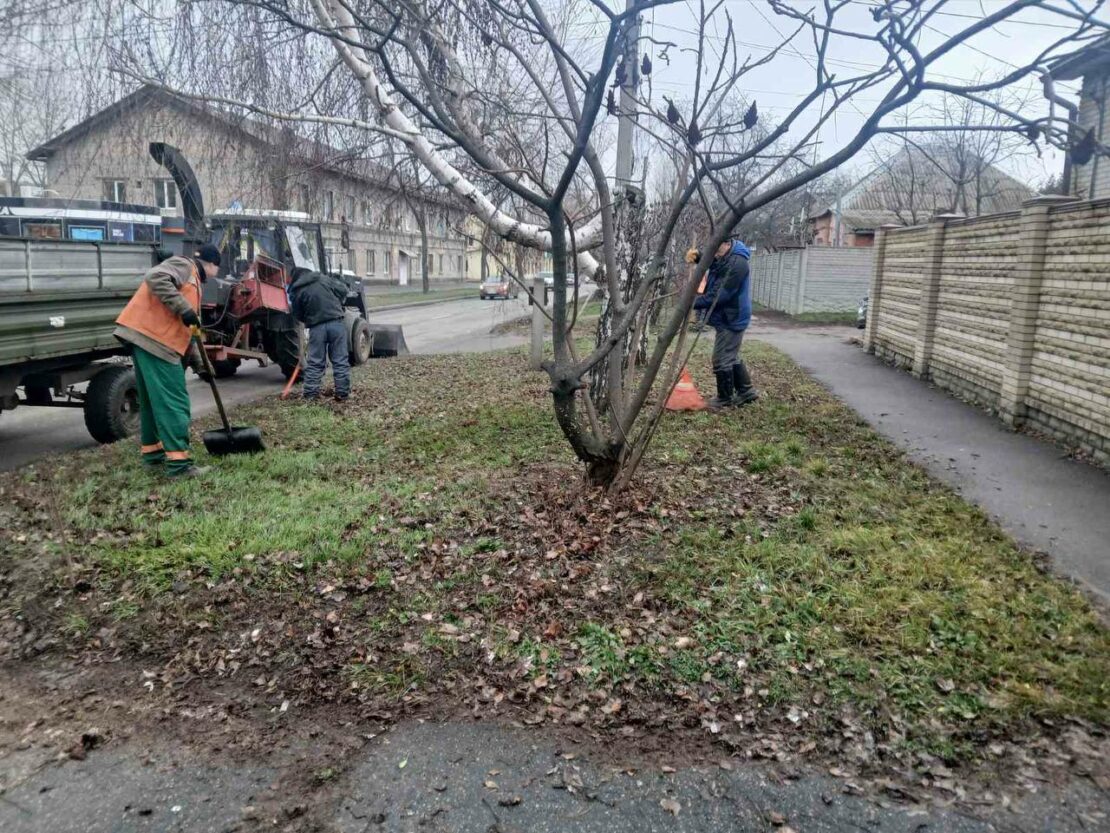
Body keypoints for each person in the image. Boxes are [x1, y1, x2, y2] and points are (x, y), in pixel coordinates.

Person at [114, 244, 222, 477]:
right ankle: (180, 465)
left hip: (148, 338)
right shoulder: (186, 266)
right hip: (156, 341)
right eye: (218, 268)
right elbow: (155, 276)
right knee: (175, 402)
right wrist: (184, 309)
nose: (217, 274)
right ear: (212, 264)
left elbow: (188, 331)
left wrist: (202, 366)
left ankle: (153, 455)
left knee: (152, 402)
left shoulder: (191, 280)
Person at [691, 239, 759, 408]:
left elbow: (720, 295)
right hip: (728, 314)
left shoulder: (737, 264)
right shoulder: (727, 255)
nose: (714, 254)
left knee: (721, 358)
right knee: (731, 355)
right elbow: (716, 266)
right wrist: (700, 258)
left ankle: (725, 398)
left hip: (732, 316)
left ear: (727, 243)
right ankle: (746, 391)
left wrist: (691, 302)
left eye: (717, 250)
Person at [289, 267, 351, 402]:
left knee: (315, 362)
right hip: (336, 324)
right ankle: (342, 394)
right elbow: (344, 290)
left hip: (317, 329)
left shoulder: (297, 291)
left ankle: (311, 395)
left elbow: (297, 315)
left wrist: (309, 320)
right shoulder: (324, 279)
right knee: (340, 360)